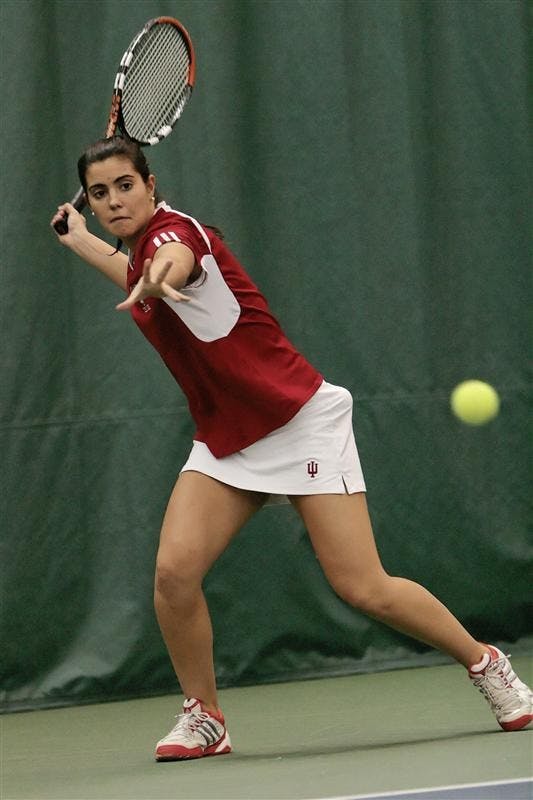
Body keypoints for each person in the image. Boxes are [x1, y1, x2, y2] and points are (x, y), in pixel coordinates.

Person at [51, 135, 532, 760]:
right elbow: (140, 273)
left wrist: (157, 273)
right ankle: (206, 717)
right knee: (174, 573)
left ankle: (485, 663)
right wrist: (82, 240)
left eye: (125, 185)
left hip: (297, 420)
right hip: (228, 439)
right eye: (98, 193)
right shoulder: (139, 250)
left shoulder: (178, 236)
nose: (114, 200)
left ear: (151, 185)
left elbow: (170, 263)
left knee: (363, 586)